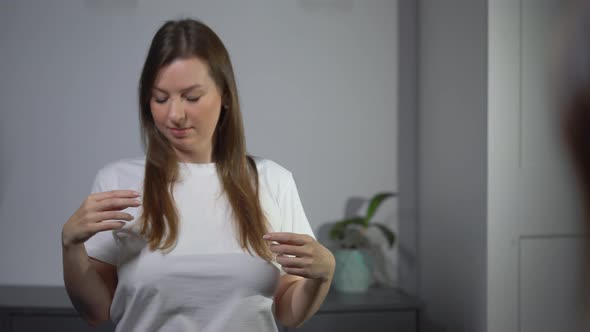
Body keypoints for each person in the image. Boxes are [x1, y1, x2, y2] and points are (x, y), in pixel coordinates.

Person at [61, 18, 335, 332]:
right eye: (160, 98)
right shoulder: (118, 182)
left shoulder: (273, 181)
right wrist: (70, 248)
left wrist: (323, 277)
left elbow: (287, 311)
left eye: (192, 97)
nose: (174, 115)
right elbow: (97, 311)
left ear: (226, 96)